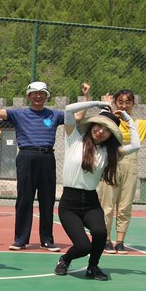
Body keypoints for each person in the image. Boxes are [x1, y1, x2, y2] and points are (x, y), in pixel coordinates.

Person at [0, 77, 90, 251]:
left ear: (46, 96)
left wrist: (86, 96)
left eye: (41, 94)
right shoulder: (18, 113)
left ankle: (47, 240)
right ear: (29, 96)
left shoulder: (55, 115)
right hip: (26, 156)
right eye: (34, 94)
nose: (38, 97)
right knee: (24, 199)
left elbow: (79, 117)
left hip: (47, 157)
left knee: (47, 199)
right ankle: (20, 239)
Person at [53, 100, 139, 281]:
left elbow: (136, 145)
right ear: (92, 125)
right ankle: (65, 259)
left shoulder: (109, 153)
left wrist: (127, 118)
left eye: (107, 130)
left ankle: (93, 267)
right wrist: (98, 103)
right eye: (99, 126)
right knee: (83, 246)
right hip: (69, 204)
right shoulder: (73, 139)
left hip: (91, 202)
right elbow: (68, 110)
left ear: (111, 135)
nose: (101, 131)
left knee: (100, 233)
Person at [99, 89, 146, 254]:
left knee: (125, 205)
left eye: (128, 102)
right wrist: (105, 107)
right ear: (115, 103)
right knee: (106, 204)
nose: (124, 105)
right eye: (120, 102)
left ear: (133, 104)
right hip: (111, 163)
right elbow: (98, 127)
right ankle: (106, 239)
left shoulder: (139, 124)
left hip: (131, 164)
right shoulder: (110, 121)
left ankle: (120, 241)